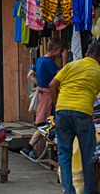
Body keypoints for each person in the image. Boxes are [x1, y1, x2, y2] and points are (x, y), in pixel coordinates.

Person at [49, 39, 100, 194]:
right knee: (88, 155)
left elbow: (52, 84)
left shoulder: (72, 65)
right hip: (83, 113)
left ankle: (68, 190)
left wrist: (57, 106)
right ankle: (89, 191)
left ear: (86, 53)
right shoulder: (98, 70)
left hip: (62, 111)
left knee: (64, 154)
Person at [21, 39, 67, 159]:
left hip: (42, 93)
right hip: (49, 95)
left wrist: (39, 85)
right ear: (55, 49)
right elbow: (63, 73)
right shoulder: (48, 63)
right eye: (60, 51)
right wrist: (65, 58)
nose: (59, 53)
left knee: (48, 123)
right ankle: (29, 147)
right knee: (46, 124)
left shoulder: (40, 60)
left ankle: (34, 149)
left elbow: (29, 75)